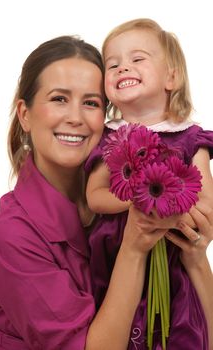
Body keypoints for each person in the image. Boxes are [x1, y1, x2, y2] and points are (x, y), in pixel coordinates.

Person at [0, 35, 174, 350]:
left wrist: (195, 254)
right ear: (25, 114)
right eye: (59, 98)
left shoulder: (121, 197)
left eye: (91, 102)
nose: (76, 117)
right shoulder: (13, 235)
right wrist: (134, 250)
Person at [86, 19, 213, 349]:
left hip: (174, 265)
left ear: (171, 77)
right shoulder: (110, 139)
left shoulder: (190, 138)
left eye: (137, 59)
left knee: (178, 329)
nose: (123, 66)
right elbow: (95, 197)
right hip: (115, 265)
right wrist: (136, 202)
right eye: (112, 64)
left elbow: (206, 204)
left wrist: (171, 211)